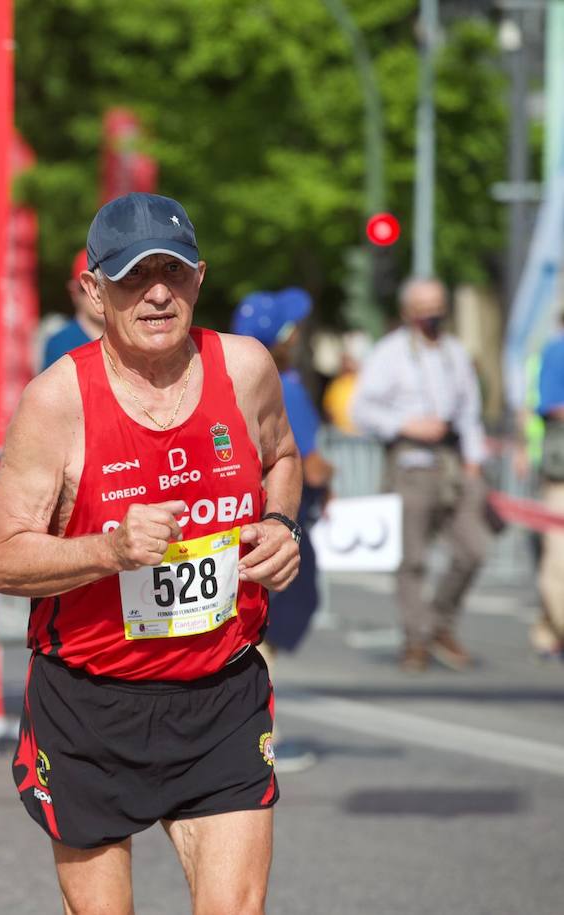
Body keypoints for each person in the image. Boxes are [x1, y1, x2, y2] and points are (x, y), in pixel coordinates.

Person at [0, 192, 302, 915]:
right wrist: (110, 548)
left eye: (174, 272)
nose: (157, 292)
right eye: (132, 277)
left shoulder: (245, 369)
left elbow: (282, 454)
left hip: (221, 693)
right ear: (95, 290)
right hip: (91, 705)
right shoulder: (58, 402)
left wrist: (282, 524)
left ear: (199, 278)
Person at [351, 277, 490, 673]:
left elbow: (470, 411)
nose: (432, 314)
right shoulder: (390, 353)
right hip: (410, 463)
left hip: (450, 462)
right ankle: (416, 639)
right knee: (412, 559)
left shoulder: (454, 353)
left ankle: (439, 623)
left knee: (473, 549)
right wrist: (405, 425)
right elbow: (363, 409)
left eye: (437, 304)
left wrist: (474, 462)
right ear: (408, 312)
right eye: (423, 306)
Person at [231, 288, 332, 773]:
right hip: (278, 522)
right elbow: (308, 466)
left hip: (242, 521)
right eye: (292, 328)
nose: (299, 334)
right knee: (266, 633)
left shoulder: (229, 380)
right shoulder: (283, 384)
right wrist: (329, 476)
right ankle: (261, 740)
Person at [530, 331, 564, 661]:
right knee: (559, 557)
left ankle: (549, 629)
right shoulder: (557, 351)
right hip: (560, 470)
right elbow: (550, 405)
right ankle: (552, 630)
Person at [41, 249, 106, 370]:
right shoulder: (60, 344)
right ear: (74, 292)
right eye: (87, 287)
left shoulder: (129, 340)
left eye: (104, 286)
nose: (97, 294)